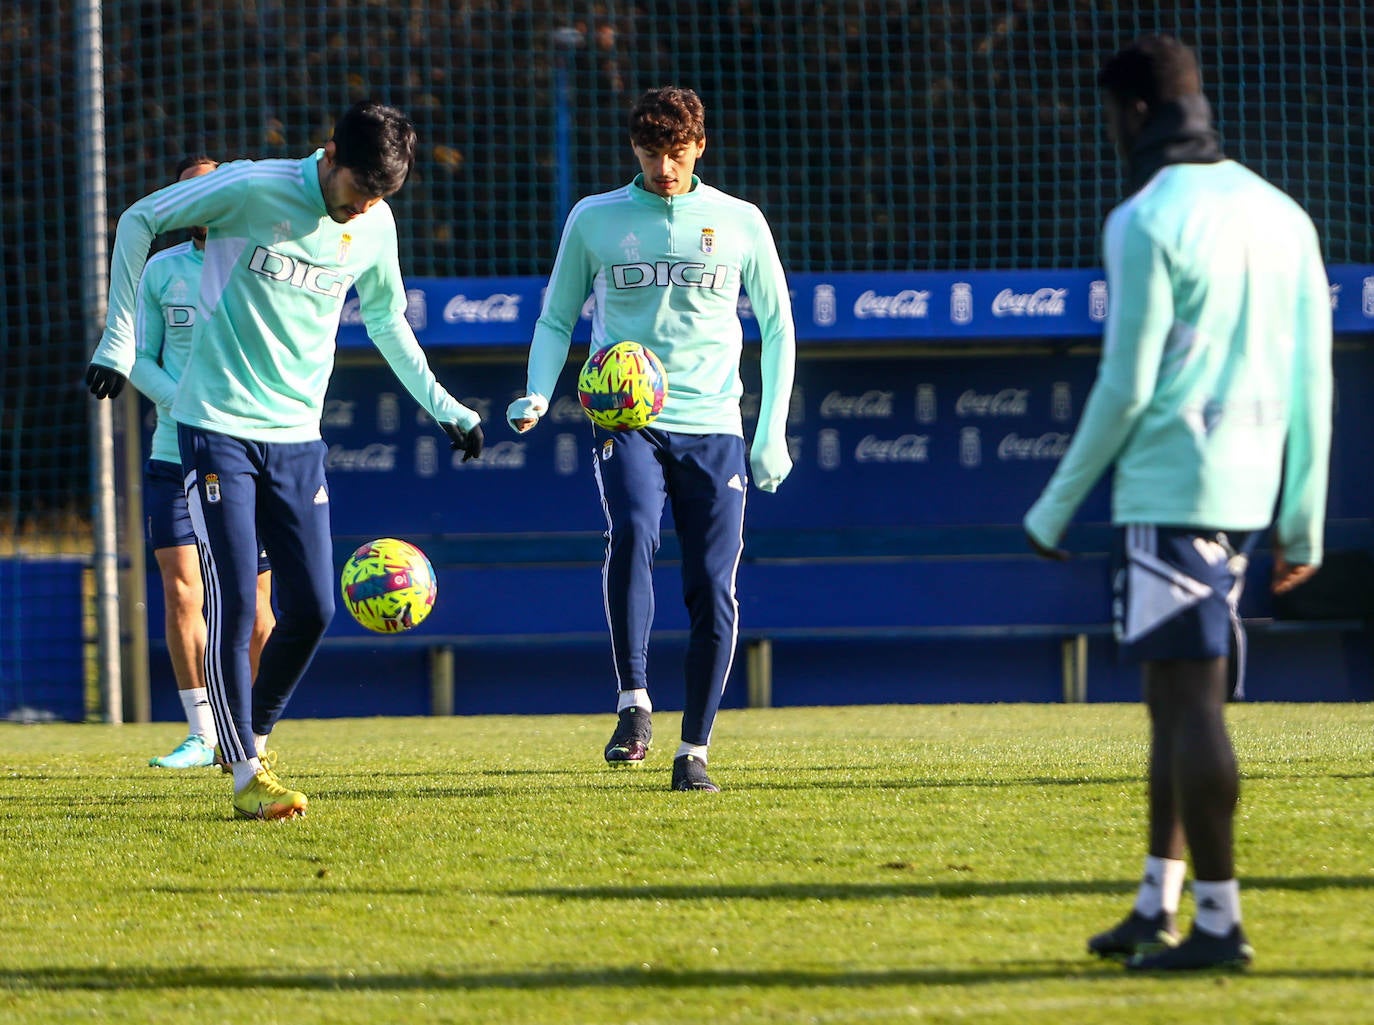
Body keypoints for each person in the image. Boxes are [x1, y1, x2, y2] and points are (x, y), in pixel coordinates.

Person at [1023, 35, 1332, 971]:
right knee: (1170, 702)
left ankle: (1218, 923)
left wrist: (1055, 504)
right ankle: (1157, 902)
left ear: (1132, 115)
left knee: (1193, 706)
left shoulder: (1145, 216)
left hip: (1170, 484)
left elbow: (1126, 382)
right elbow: (1312, 375)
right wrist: (1304, 516)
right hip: (1247, 489)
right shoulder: (1284, 213)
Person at [87, 100, 484, 820]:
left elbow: (390, 320)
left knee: (314, 608)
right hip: (215, 427)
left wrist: (445, 406)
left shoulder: (372, 223)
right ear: (329, 155)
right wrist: (118, 341)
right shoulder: (251, 186)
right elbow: (137, 218)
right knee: (237, 599)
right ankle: (242, 772)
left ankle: (255, 737)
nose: (362, 206)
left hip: (298, 437)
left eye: (378, 197)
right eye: (358, 189)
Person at [508, 86, 796, 792]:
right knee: (634, 529)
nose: (663, 167)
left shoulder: (740, 222)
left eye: (675, 152)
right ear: (633, 149)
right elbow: (556, 318)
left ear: (699, 147)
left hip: (714, 425)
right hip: (626, 418)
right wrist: (539, 391)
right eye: (649, 152)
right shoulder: (595, 218)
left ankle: (693, 749)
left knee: (713, 588)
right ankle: (634, 701)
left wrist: (771, 432)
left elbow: (780, 327)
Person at [131, 156, 276, 770]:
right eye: (188, 197)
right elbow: (137, 360)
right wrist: (187, 407)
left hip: (247, 453)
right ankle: (203, 732)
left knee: (260, 614)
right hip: (175, 454)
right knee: (182, 594)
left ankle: (250, 727)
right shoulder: (162, 271)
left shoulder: (260, 260)